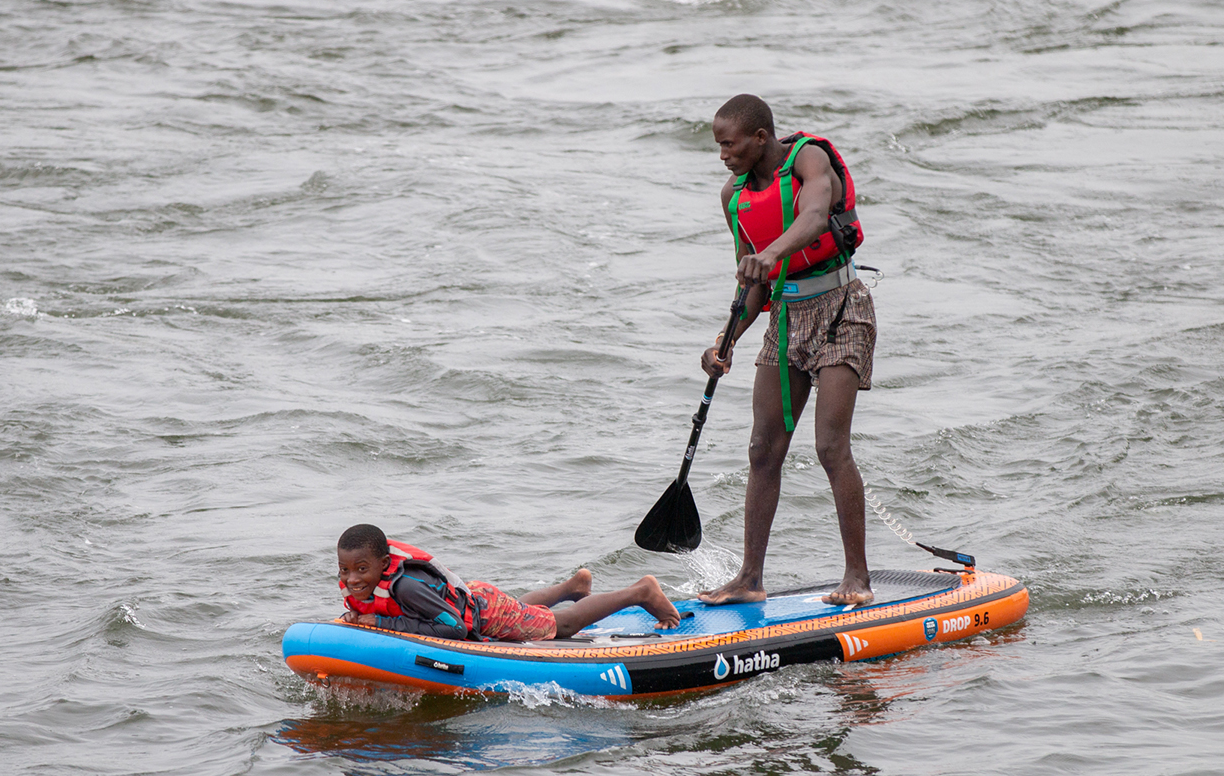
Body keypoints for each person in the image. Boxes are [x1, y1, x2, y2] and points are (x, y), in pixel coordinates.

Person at [696, 94, 876, 608]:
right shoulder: (734, 197)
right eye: (718, 146)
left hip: (842, 308)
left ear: (759, 138)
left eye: (729, 145)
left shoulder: (808, 160)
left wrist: (772, 253)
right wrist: (723, 344)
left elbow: (817, 216)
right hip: (785, 319)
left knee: (829, 446)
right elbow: (752, 285)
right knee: (762, 450)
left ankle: (856, 579)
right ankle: (749, 579)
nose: (723, 155)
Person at [335, 523, 680, 640]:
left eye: (361, 570)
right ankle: (572, 588)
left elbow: (453, 628)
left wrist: (383, 623)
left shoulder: (407, 586)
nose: (352, 579)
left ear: (383, 564)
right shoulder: (371, 580)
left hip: (480, 612)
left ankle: (640, 590)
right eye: (345, 570)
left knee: (560, 626)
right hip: (477, 599)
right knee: (518, 609)